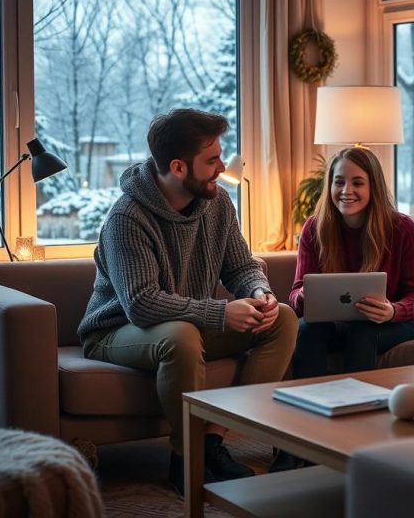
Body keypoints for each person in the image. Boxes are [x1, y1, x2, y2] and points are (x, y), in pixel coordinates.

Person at [78, 108, 297, 494]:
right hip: (116, 332)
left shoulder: (218, 204)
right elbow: (141, 304)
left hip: (188, 325)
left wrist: (259, 293)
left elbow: (242, 267)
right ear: (178, 167)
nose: (221, 167)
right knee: (181, 335)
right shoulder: (127, 218)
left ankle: (212, 442)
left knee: (282, 318)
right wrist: (219, 312)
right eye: (212, 161)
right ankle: (186, 461)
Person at [289, 146, 414, 377]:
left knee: (363, 331)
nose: (346, 190)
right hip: (338, 323)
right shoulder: (315, 228)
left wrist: (393, 311)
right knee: (308, 328)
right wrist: (304, 295)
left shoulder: (402, 229)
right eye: (339, 182)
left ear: (373, 187)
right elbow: (294, 294)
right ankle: (305, 399)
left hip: (391, 324)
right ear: (330, 186)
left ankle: (356, 403)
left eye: (357, 183)